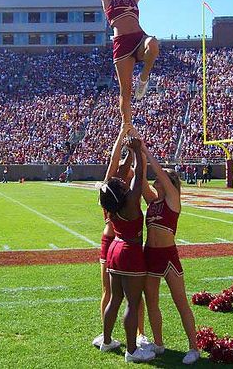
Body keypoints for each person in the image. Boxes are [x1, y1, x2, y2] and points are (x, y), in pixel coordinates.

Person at [66, 0, 174, 126]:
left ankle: (144, 77)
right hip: (121, 44)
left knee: (154, 44)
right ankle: (127, 125)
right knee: (125, 90)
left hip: (139, 38)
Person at [139, 137, 200, 365]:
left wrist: (146, 149)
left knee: (180, 301)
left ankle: (193, 348)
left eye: (162, 176)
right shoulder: (153, 202)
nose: (158, 178)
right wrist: (138, 155)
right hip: (150, 256)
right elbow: (141, 180)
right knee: (152, 301)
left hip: (168, 256)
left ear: (169, 182)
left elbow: (159, 173)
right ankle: (159, 343)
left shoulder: (173, 200)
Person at [98, 134, 155, 363]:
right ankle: (132, 350)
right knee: (132, 302)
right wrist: (139, 152)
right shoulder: (130, 201)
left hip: (114, 250)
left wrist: (129, 153)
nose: (122, 181)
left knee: (115, 299)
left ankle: (107, 340)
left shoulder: (113, 204)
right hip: (130, 251)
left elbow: (119, 177)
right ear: (121, 191)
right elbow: (139, 175)